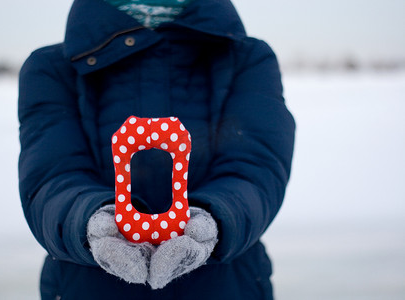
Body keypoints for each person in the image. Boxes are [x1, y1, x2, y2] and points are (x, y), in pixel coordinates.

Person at [18, 0, 295, 299]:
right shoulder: (52, 69)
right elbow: (52, 175)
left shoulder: (246, 58)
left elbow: (255, 167)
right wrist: (89, 221)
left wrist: (217, 219)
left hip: (226, 286)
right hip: (89, 288)